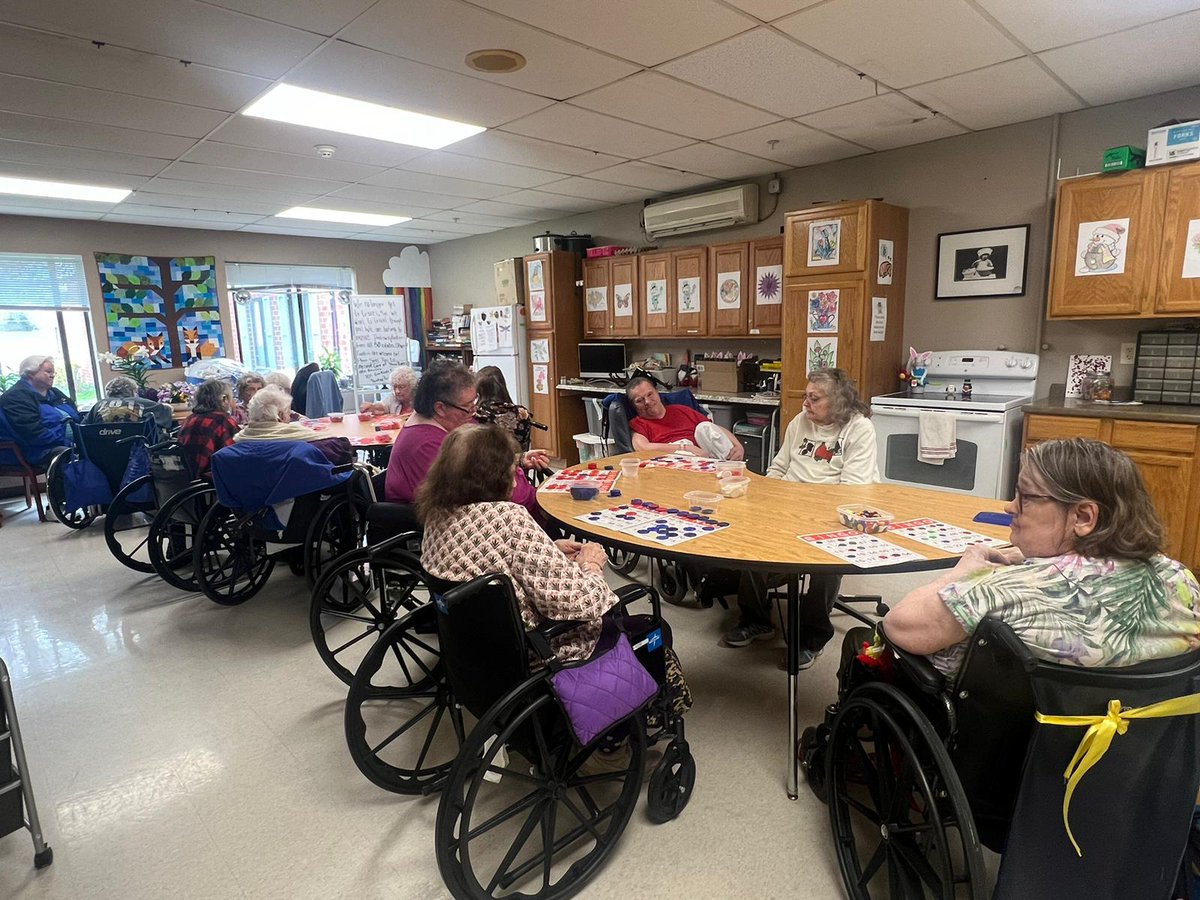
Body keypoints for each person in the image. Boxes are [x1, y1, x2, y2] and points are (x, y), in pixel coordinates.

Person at [882, 438, 1200, 676]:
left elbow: (898, 626)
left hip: (1006, 750)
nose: (1010, 507)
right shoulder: (1179, 579)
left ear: (1084, 517)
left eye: (1027, 497)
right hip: (1135, 752)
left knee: (864, 644)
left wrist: (961, 572)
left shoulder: (1008, 590)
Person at [418, 424, 617, 662]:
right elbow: (586, 602)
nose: (514, 483)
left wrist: (549, 549)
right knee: (645, 628)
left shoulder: (436, 514)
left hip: (472, 651)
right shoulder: (508, 517)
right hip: (536, 652)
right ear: (492, 477)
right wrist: (592, 565)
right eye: (510, 473)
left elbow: (487, 558)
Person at [723, 368, 879, 670]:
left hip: (834, 512)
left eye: (814, 398)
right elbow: (778, 468)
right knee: (749, 542)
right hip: (788, 505)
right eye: (805, 396)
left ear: (837, 401)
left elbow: (853, 489)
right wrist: (768, 499)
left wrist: (804, 508)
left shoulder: (859, 429)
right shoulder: (800, 421)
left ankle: (812, 636)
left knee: (828, 563)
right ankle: (756, 620)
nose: (805, 404)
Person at [383, 361, 547, 517]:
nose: (474, 412)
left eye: (474, 402)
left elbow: (481, 463)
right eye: (468, 406)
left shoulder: (444, 426)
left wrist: (517, 459)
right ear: (440, 408)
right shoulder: (428, 445)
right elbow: (478, 497)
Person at [626, 377, 743, 460]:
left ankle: (731, 466)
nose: (647, 402)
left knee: (704, 427)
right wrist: (685, 447)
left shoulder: (682, 410)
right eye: (639, 401)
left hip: (712, 457)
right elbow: (643, 447)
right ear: (633, 405)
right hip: (678, 464)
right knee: (683, 443)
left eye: (650, 394)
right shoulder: (639, 423)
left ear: (657, 392)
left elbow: (715, 430)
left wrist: (738, 446)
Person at [232, 385, 353, 465]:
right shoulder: (296, 437)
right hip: (296, 495)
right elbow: (337, 447)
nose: (289, 416)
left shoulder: (241, 439)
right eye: (287, 411)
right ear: (279, 414)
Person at [0, 354, 79, 466]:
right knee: (78, 453)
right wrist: (69, 441)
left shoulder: (55, 392)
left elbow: (75, 415)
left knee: (103, 443)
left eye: (53, 372)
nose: (52, 375)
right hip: (36, 450)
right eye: (48, 371)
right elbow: (34, 435)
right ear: (30, 374)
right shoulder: (16, 397)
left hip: (67, 439)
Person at [177, 379, 239, 479]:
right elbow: (237, 453)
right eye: (232, 398)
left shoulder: (189, 419)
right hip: (211, 478)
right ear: (224, 399)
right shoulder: (222, 420)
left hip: (187, 478)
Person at [85, 375, 172, 430]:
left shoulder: (98, 405)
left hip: (101, 451)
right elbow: (166, 412)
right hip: (137, 450)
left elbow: (83, 427)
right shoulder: (143, 403)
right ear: (133, 390)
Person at [475, 365, 532, 447]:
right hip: (519, 458)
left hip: (488, 459)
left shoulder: (478, 413)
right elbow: (525, 443)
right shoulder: (522, 413)